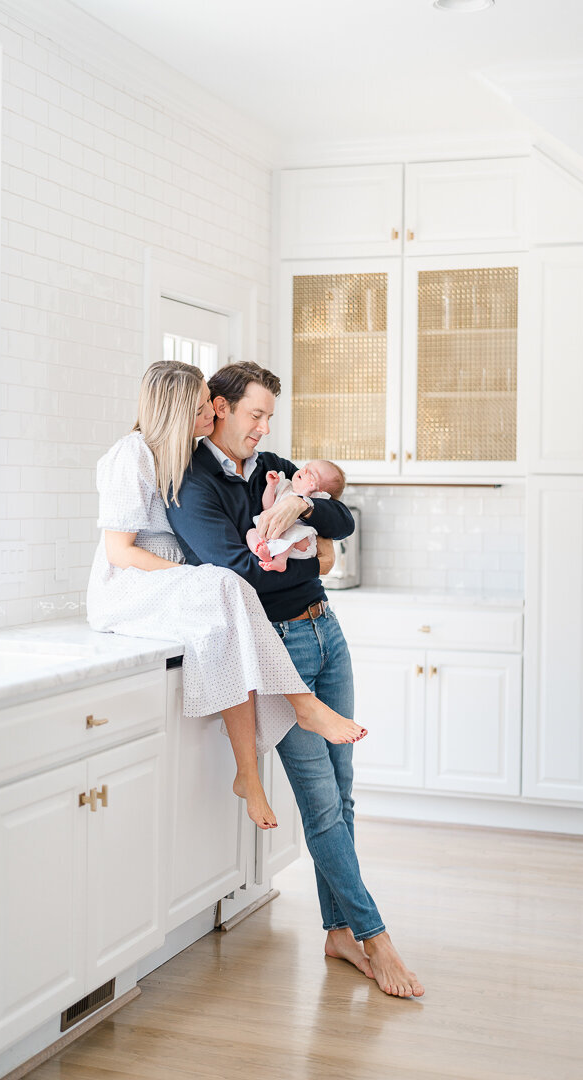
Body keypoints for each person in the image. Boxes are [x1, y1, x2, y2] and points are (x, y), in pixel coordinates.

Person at [166, 361, 425, 999]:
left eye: (269, 418)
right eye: (255, 414)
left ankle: (338, 931)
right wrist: (304, 550)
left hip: (326, 631)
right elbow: (236, 572)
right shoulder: (191, 485)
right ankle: (375, 938)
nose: (264, 428)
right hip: (278, 649)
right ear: (218, 409)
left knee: (345, 792)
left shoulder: (273, 467)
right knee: (321, 802)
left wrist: (305, 504)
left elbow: (345, 519)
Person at [86, 360, 366, 833]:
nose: (210, 418)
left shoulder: (184, 455)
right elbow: (119, 550)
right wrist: (190, 575)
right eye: (201, 409)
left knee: (225, 624)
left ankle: (247, 772)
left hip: (176, 583)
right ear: (178, 412)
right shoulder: (133, 455)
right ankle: (300, 706)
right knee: (225, 583)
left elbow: (336, 527)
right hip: (131, 584)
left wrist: (303, 509)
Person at [246, 459, 346, 572]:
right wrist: (271, 486)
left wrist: (307, 492)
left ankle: (280, 561)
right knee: (251, 533)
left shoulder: (312, 497)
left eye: (312, 474)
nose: (304, 470)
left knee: (291, 532)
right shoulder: (285, 486)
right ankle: (260, 550)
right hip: (271, 536)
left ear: (318, 490)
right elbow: (268, 507)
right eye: (306, 466)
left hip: (298, 542)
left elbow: (304, 501)